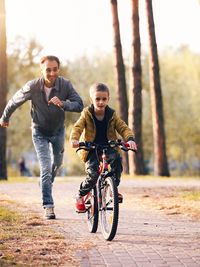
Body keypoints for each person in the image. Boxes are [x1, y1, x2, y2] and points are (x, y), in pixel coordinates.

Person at [0, 55, 83, 219]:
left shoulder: (65, 85)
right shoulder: (33, 86)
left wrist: (63, 103)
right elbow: (14, 101)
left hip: (58, 131)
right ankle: (48, 205)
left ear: (58, 69)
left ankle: (46, 182)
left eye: (55, 69)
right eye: (48, 70)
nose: (52, 73)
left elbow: (79, 104)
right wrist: (5, 117)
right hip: (39, 132)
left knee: (57, 164)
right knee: (45, 167)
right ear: (42, 70)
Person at [70, 82, 137, 213]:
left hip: (108, 146)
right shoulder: (86, 114)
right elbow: (77, 127)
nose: (101, 102)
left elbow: (123, 128)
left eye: (104, 99)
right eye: (97, 99)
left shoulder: (112, 115)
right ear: (91, 99)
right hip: (91, 148)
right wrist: (74, 139)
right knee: (93, 174)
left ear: (108, 99)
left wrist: (130, 139)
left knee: (117, 160)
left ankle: (113, 189)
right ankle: (79, 194)